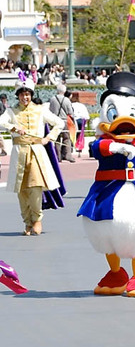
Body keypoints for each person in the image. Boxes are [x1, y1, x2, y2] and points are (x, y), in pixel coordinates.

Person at [0, 79, 65, 235]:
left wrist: (48, 138)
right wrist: (14, 127)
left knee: (35, 187)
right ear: (18, 96)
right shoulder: (11, 111)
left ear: (31, 95)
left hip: (36, 152)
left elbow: (59, 123)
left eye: (27, 94)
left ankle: (37, 219)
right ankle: (27, 222)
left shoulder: (41, 110)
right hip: (19, 153)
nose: (25, 97)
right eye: (22, 95)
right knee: (21, 190)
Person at [47, 84, 76, 162]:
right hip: (65, 121)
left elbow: (50, 110)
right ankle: (68, 155)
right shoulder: (66, 100)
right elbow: (70, 112)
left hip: (55, 121)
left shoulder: (52, 99)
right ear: (64, 91)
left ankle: (58, 156)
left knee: (57, 139)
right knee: (67, 138)